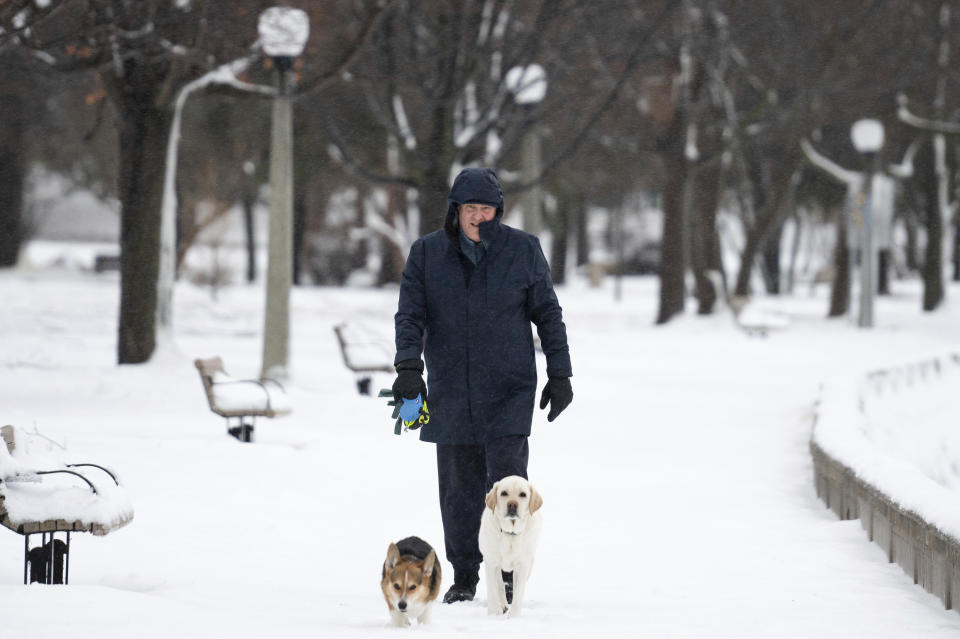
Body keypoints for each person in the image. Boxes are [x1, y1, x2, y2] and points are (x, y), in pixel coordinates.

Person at [392, 167, 573, 604]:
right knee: (458, 487)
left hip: (509, 387)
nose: (478, 217)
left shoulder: (523, 251)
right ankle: (467, 573)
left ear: (498, 212)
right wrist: (408, 368)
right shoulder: (427, 254)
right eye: (470, 208)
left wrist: (560, 371)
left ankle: (510, 571)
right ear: (456, 211)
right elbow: (410, 315)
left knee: (509, 484)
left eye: (486, 209)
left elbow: (547, 312)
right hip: (452, 385)